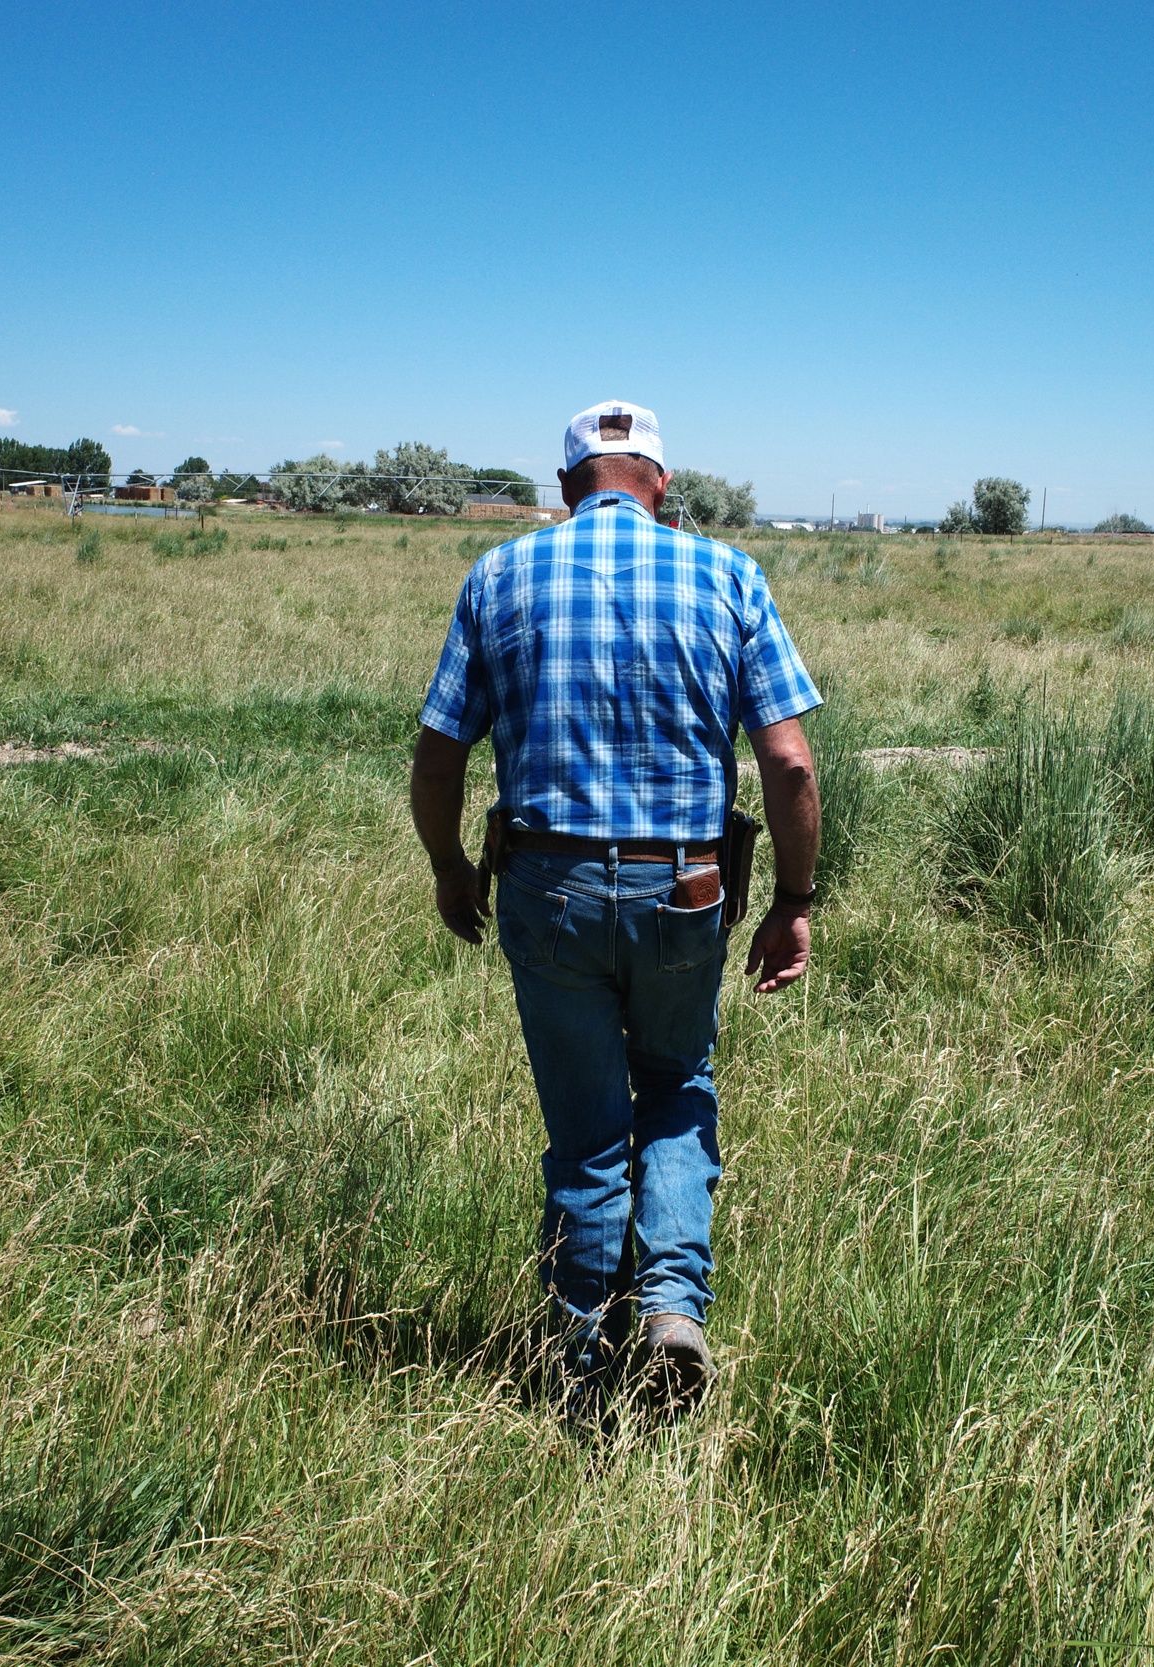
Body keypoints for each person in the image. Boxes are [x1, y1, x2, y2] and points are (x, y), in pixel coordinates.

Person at [408, 399, 822, 1430]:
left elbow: (439, 750)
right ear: (661, 483)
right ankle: (674, 1307)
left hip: (544, 890)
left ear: (564, 488)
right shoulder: (729, 574)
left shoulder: (500, 573)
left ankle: (581, 1363)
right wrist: (793, 901)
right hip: (685, 887)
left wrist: (451, 864)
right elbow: (787, 760)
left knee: (589, 1131)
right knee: (677, 1085)